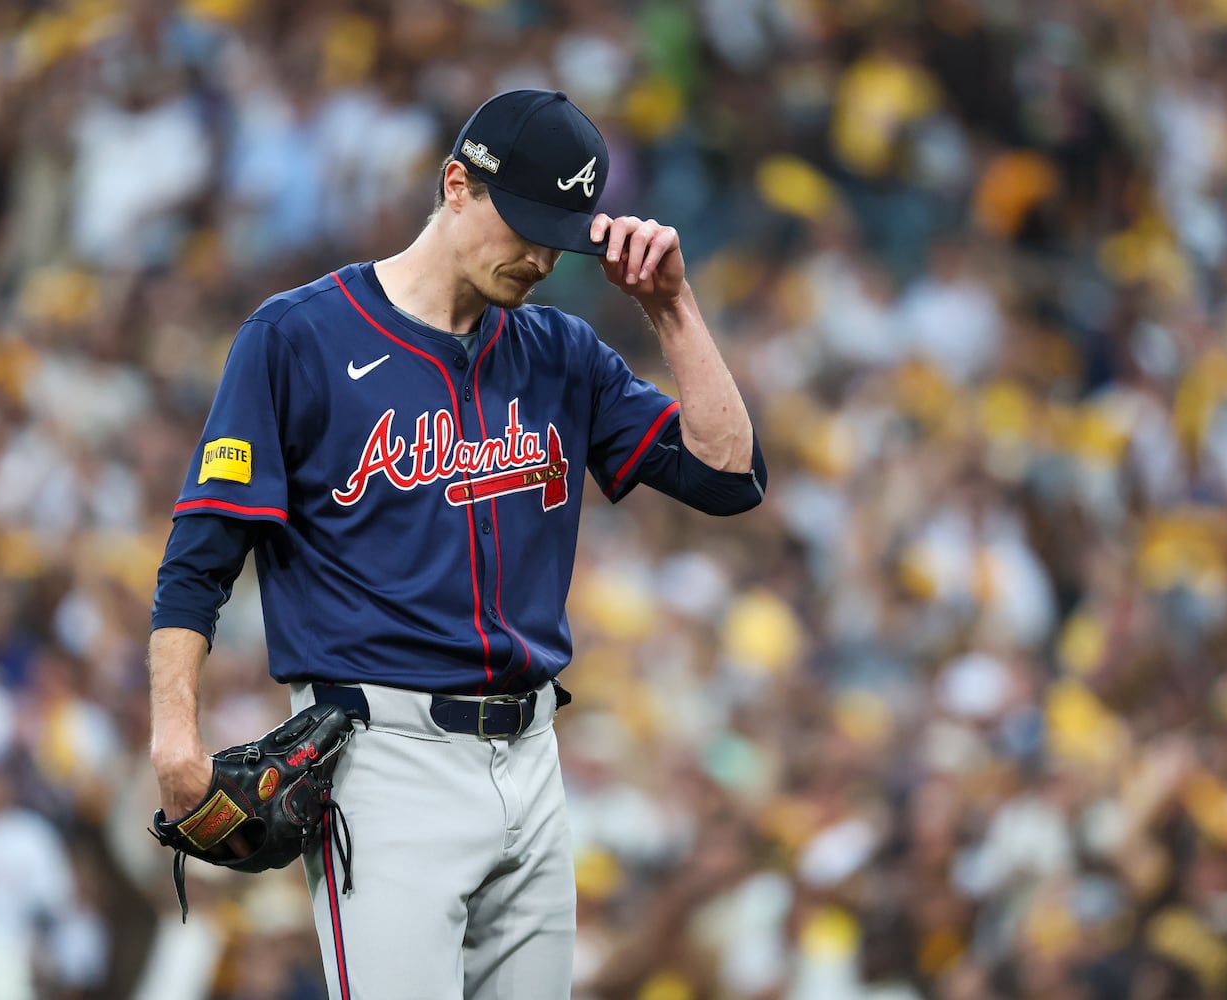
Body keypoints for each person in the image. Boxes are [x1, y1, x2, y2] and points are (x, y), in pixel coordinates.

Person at [147, 89, 767, 1000]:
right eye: (523, 223)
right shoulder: (298, 338)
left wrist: (671, 309)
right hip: (383, 765)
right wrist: (175, 739)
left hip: (535, 761)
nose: (540, 255)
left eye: (560, 234)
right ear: (456, 185)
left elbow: (728, 475)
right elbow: (201, 556)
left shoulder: (562, 352)